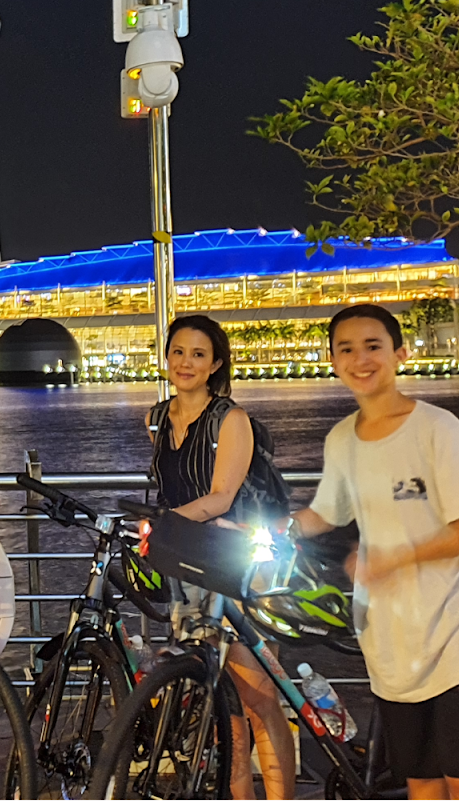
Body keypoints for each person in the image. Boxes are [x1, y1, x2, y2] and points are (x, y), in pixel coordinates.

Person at [292, 304, 459, 801]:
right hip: (389, 642)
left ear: (399, 355)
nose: (360, 359)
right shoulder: (342, 438)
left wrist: (396, 556)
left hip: (457, 630)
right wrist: (265, 528)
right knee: (421, 782)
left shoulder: (438, 428)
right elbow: (325, 512)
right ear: (332, 359)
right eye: (346, 348)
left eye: (373, 346)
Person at [145, 314, 295, 800]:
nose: (185, 362)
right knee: (217, 701)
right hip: (185, 567)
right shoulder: (155, 418)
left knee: (259, 697)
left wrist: (163, 525)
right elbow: (169, 485)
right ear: (166, 357)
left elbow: (221, 496)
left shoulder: (231, 419)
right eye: (178, 352)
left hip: (235, 564)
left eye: (198, 354)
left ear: (216, 365)